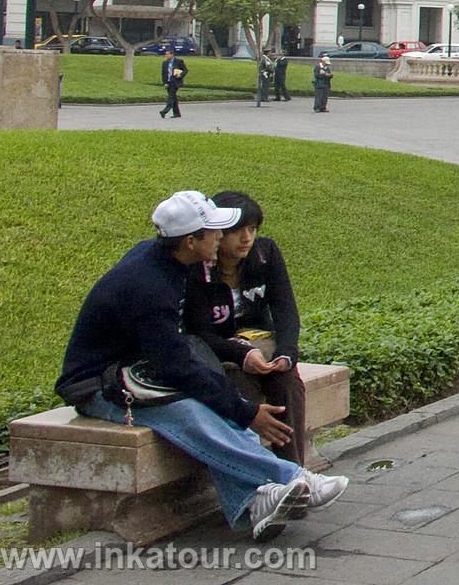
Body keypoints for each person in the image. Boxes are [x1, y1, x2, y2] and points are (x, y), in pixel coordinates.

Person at [55, 192, 345, 541]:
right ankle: (291, 477)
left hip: (140, 368)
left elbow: (177, 356)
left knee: (217, 403)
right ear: (191, 241)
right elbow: (175, 365)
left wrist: (238, 407)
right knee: (192, 414)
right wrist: (244, 411)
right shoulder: (147, 285)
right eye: (215, 232)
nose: (222, 238)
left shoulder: (169, 262)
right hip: (99, 385)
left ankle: (253, 503)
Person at [186, 194, 306, 466]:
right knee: (240, 387)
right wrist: (241, 354)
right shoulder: (199, 268)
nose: (246, 238)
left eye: (252, 229)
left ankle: (295, 472)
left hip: (263, 347)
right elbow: (199, 333)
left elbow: (285, 309)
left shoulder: (266, 254)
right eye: (237, 231)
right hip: (222, 354)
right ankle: (261, 474)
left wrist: (286, 353)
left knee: (287, 382)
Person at [159, 52, 188, 120]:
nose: (166, 55)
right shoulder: (165, 63)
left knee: (171, 97)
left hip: (175, 82)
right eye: (165, 54)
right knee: (174, 98)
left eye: (167, 54)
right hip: (168, 82)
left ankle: (165, 111)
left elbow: (185, 70)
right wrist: (165, 83)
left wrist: (180, 75)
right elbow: (163, 74)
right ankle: (177, 113)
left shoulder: (178, 61)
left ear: (172, 55)